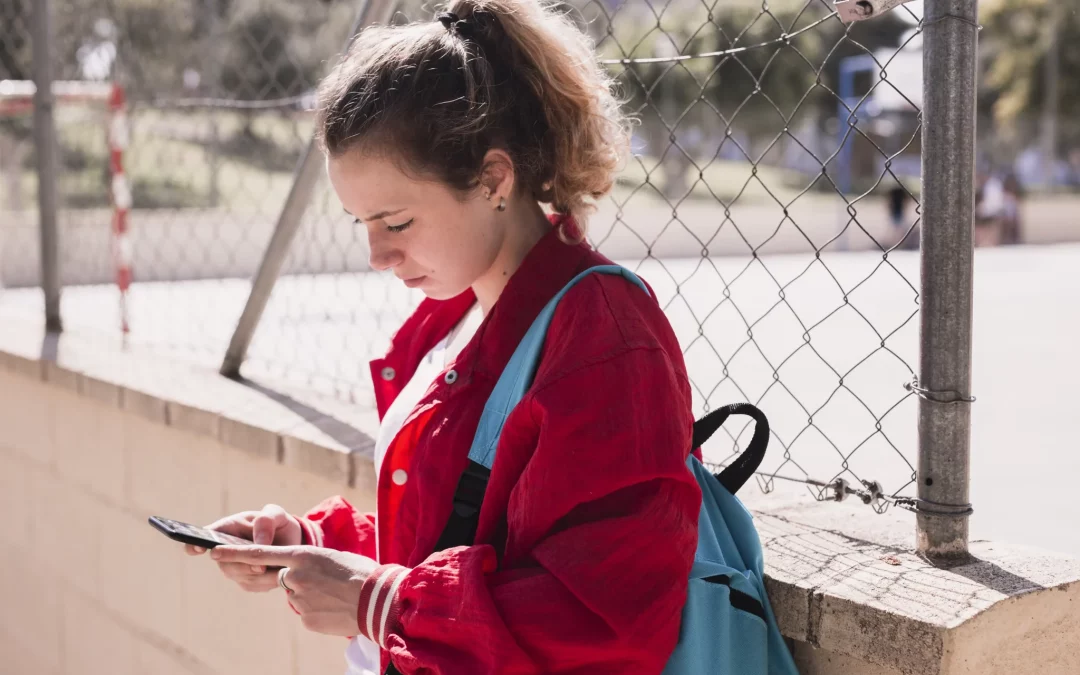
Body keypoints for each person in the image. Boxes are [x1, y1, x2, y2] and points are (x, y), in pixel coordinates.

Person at [183, 1, 701, 673]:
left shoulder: (602, 333)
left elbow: (607, 614)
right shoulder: (452, 317)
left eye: (395, 221)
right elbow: (454, 537)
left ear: (493, 179)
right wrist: (315, 544)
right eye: (359, 221)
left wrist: (378, 602)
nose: (376, 254)